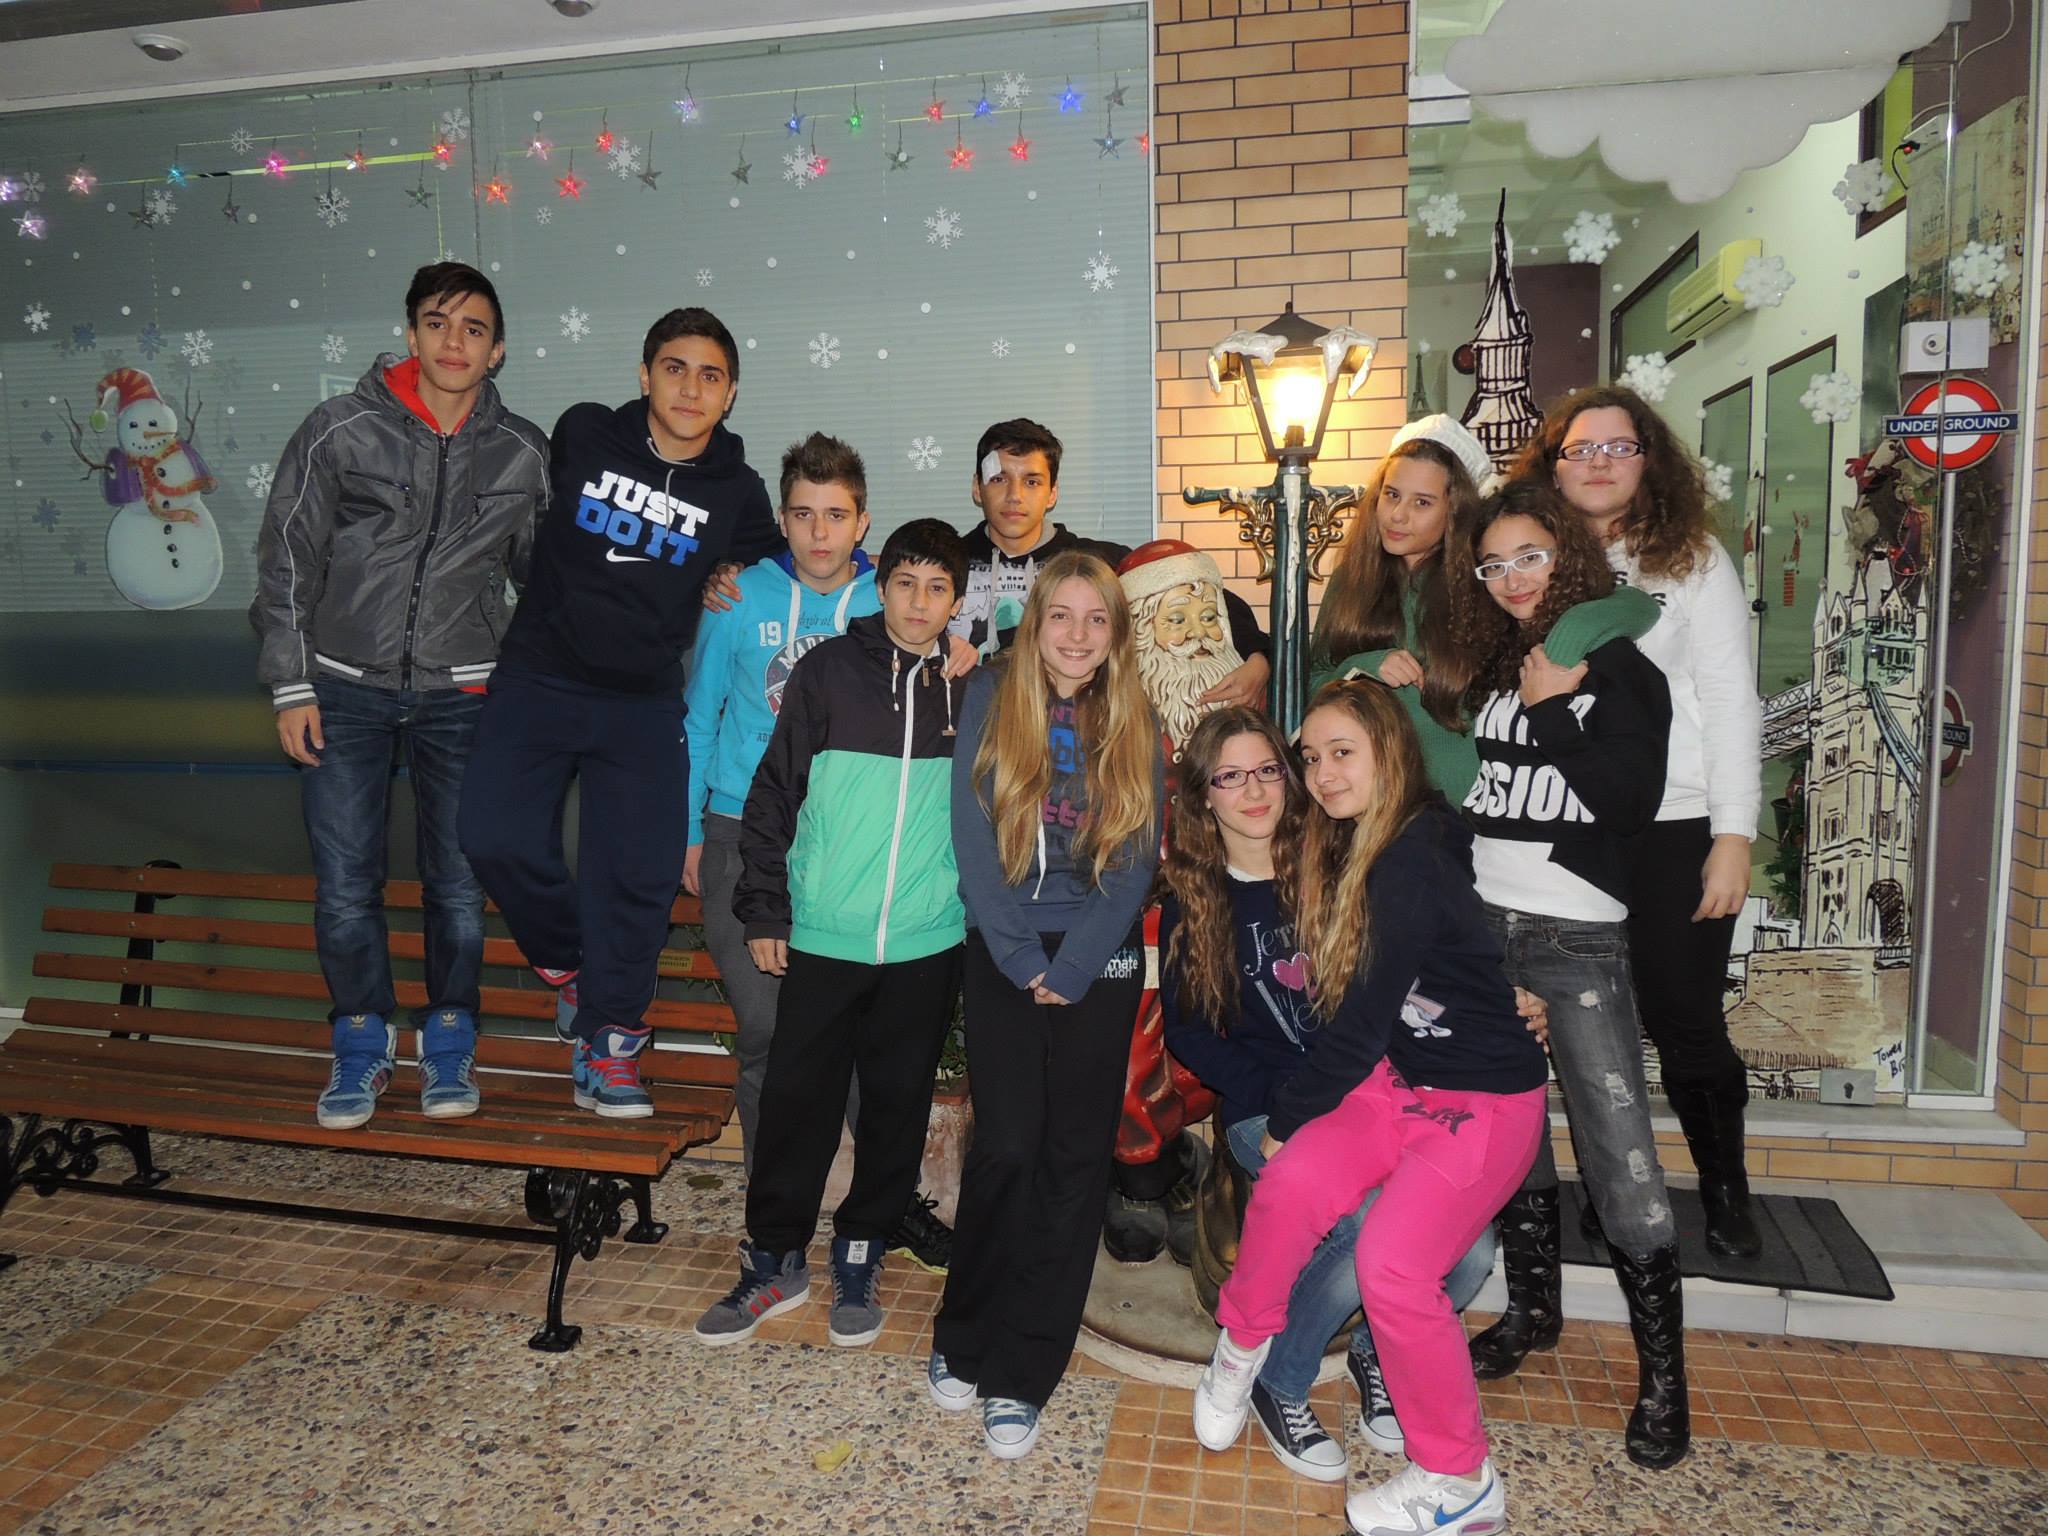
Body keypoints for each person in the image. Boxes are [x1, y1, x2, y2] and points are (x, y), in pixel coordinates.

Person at [1189, 682, 1550, 1536]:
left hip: (1478, 1099)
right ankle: (1241, 1347)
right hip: (1397, 1082)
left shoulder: (1408, 854)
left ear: (1389, 748)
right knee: (1294, 1185)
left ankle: (1459, 1480)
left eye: (1340, 753)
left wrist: (1287, 1119)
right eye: (1311, 758)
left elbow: (1361, 1020)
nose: (1321, 775)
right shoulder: (1359, 839)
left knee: (1391, 1262)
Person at [458, 307, 781, 1117]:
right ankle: (569, 961)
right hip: (540, 677)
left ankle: (611, 1044)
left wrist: (894, 589)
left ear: (730, 394)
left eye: (710, 376)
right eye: (674, 368)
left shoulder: (738, 492)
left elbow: (790, 568)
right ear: (644, 375)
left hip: (641, 702)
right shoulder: (584, 433)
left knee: (638, 876)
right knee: (491, 835)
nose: (690, 389)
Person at [251, 261, 548, 1131]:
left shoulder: (523, 451)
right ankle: (361, 1038)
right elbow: (287, 559)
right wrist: (291, 684)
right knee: (346, 884)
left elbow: (546, 583)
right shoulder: (338, 430)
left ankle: (449, 1037)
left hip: (465, 695)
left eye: (474, 329)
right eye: (438, 323)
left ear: (497, 350)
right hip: (341, 689)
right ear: (412, 333)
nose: (455, 342)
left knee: (457, 885)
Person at [1445, 481, 1689, 1469]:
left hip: (1575, 935)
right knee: (1512, 1135)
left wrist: (1552, 714)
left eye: (1530, 557)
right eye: (1493, 564)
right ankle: (1530, 1312)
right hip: (1484, 925)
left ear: (1568, 557)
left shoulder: (1620, 668)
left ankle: (1665, 1381)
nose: (1511, 579)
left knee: (1618, 1152)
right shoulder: (1498, 664)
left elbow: (1629, 803)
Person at [690, 520, 970, 1349]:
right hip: (822, 934)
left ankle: (860, 1249)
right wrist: (766, 909)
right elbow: (773, 794)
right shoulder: (828, 671)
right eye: (905, 584)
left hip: (925, 941)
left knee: (895, 1105)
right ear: (880, 587)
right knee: (795, 1102)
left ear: (956, 602)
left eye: (938, 588)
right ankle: (775, 1257)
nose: (919, 603)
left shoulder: (972, 690)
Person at [1515, 385, 1765, 1258]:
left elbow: (1730, 699)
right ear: (1552, 467)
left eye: (1617, 447)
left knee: (1682, 1014)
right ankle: (1617, 1184)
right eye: (1578, 449)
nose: (1597, 462)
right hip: (1566, 821)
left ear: (1648, 459)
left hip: (1676, 821)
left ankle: (1726, 1187)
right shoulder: (1532, 557)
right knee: (1586, 1021)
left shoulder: (1690, 559)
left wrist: (1733, 836)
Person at [928, 550, 1165, 1459]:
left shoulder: (1132, 712)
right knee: (1008, 1147)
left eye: (1095, 619)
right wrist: (1023, 955)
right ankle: (966, 1329)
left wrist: (1074, 967)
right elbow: (970, 836)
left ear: (1115, 633)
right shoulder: (992, 695)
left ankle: (1024, 1369)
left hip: (1097, 954)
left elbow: (1135, 858)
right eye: (1060, 615)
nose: (1076, 634)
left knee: (1073, 1158)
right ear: (1035, 623)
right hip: (1004, 947)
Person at [681, 432, 880, 1171]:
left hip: (847, 842)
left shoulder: (886, 602)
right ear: (782, 519)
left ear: (862, 522)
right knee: (764, 1027)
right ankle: (771, 1195)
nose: (819, 532)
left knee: (855, 1032)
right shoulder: (738, 596)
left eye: (836, 515)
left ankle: (881, 1201)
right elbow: (699, 719)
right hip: (737, 832)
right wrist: (689, 830)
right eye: (803, 514)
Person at [1309, 414, 1658, 802]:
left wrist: (1561, 649)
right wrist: (1362, 667)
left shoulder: (1484, 575)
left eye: (1422, 502)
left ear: (1454, 510)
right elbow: (1312, 684)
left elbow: (1636, 605)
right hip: (1375, 801)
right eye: (1391, 494)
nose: (1398, 514)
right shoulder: (1352, 579)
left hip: (1471, 804)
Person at [951, 418, 1270, 710]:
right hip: (956, 734)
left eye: (1032, 482)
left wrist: (1259, 660)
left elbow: (1203, 597)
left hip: (1075, 738)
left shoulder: (1098, 564)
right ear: (977, 488)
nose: (1014, 495)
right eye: (999, 479)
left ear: (1053, 493)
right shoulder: (945, 566)